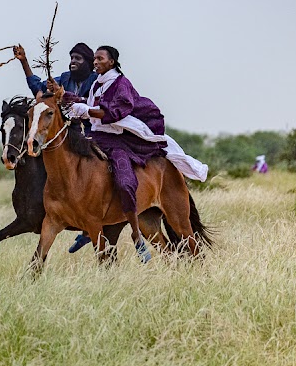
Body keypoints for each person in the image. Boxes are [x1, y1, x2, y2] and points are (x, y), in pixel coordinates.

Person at [60, 45, 207, 263]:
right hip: (98, 138)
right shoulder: (97, 85)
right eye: (96, 59)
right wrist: (66, 96)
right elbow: (88, 105)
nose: (96, 62)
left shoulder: (121, 84)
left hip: (120, 140)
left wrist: (88, 111)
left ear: (111, 62)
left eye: (100, 59)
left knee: (125, 179)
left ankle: (136, 231)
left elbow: (115, 112)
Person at [13, 40, 98, 253]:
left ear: (88, 62)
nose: (72, 62)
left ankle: (91, 222)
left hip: (90, 131)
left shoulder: (96, 80)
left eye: (78, 59)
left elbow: (94, 104)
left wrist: (64, 94)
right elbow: (39, 90)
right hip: (64, 133)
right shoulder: (64, 78)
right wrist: (24, 62)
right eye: (71, 58)